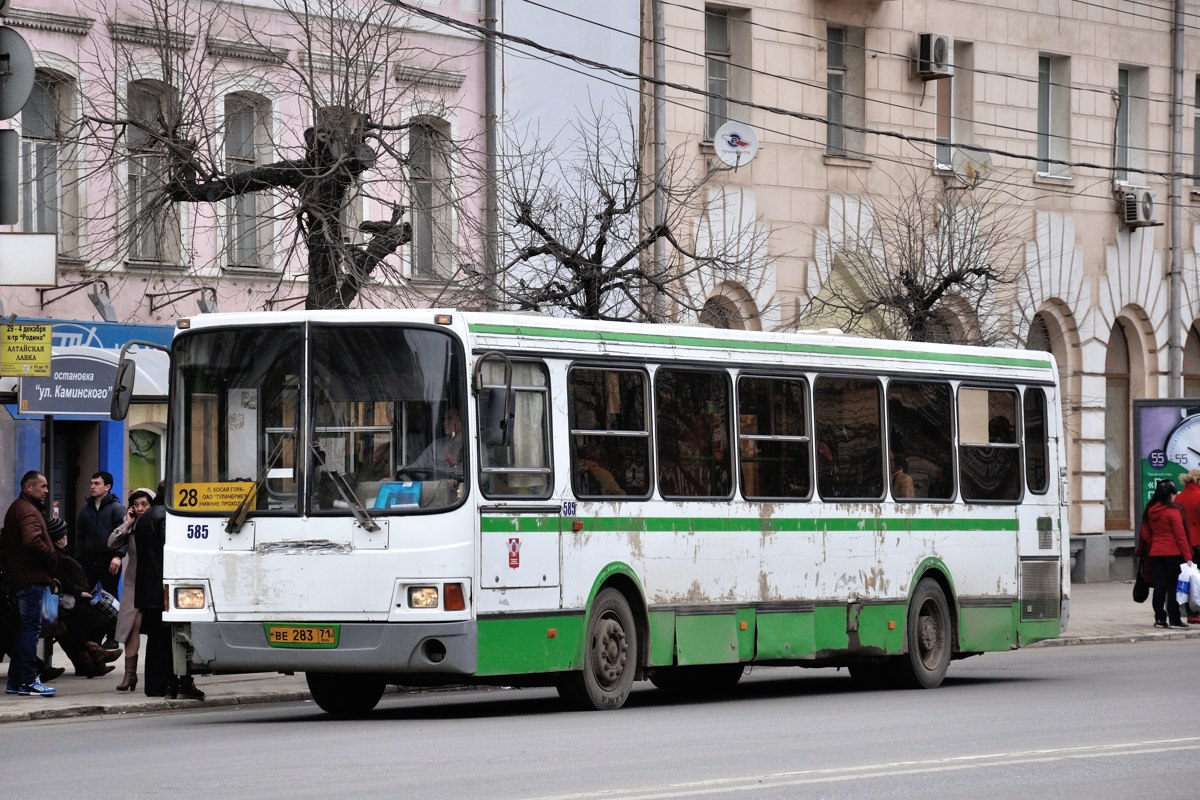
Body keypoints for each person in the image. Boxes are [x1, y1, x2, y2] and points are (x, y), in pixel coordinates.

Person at [135, 483, 204, 700]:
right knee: (173, 639)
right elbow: (172, 551)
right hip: (163, 587)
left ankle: (155, 685)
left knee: (156, 640)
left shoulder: (146, 517)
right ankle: (174, 682)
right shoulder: (166, 517)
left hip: (148, 588)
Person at [2, 470, 58, 697]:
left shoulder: (21, 507)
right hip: (30, 579)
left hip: (21, 578)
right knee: (30, 630)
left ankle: (16, 681)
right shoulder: (27, 511)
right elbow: (32, 540)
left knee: (23, 630)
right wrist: (51, 557)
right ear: (28, 487)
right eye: (42, 486)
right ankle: (27, 680)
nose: (46, 491)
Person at [46, 517, 122, 678]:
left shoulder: (60, 556)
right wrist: (79, 592)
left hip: (68, 604)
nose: (65, 538)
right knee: (85, 622)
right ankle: (94, 658)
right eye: (61, 536)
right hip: (63, 605)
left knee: (86, 623)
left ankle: (94, 661)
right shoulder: (57, 558)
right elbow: (62, 583)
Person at [107, 487, 154, 691]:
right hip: (133, 581)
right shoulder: (131, 526)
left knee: (155, 627)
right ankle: (130, 675)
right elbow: (111, 543)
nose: (140, 508)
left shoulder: (159, 524)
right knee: (131, 626)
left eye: (144, 504)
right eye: (136, 505)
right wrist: (127, 523)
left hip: (153, 581)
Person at [1137, 479, 1194, 629]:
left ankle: (1160, 618)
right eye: (1174, 495)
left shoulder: (1150, 510)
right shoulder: (1172, 511)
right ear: (1170, 496)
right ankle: (1175, 619)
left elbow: (1145, 532)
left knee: (1159, 586)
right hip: (1173, 553)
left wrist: (1153, 543)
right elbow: (1180, 535)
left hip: (1155, 553)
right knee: (1173, 587)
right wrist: (1188, 556)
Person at [75, 471, 127, 607]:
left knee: (110, 596)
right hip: (89, 561)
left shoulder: (117, 508)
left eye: (97, 483)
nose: (92, 486)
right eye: (91, 483)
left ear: (107, 487)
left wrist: (118, 556)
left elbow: (124, 534)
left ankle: (114, 627)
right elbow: (80, 536)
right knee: (83, 594)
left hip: (109, 561)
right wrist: (78, 560)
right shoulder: (85, 510)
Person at [407, 406, 463, 478]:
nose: (445, 423)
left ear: (461, 420)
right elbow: (415, 468)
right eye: (444, 419)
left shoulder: (476, 448)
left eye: (450, 418)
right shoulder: (437, 446)